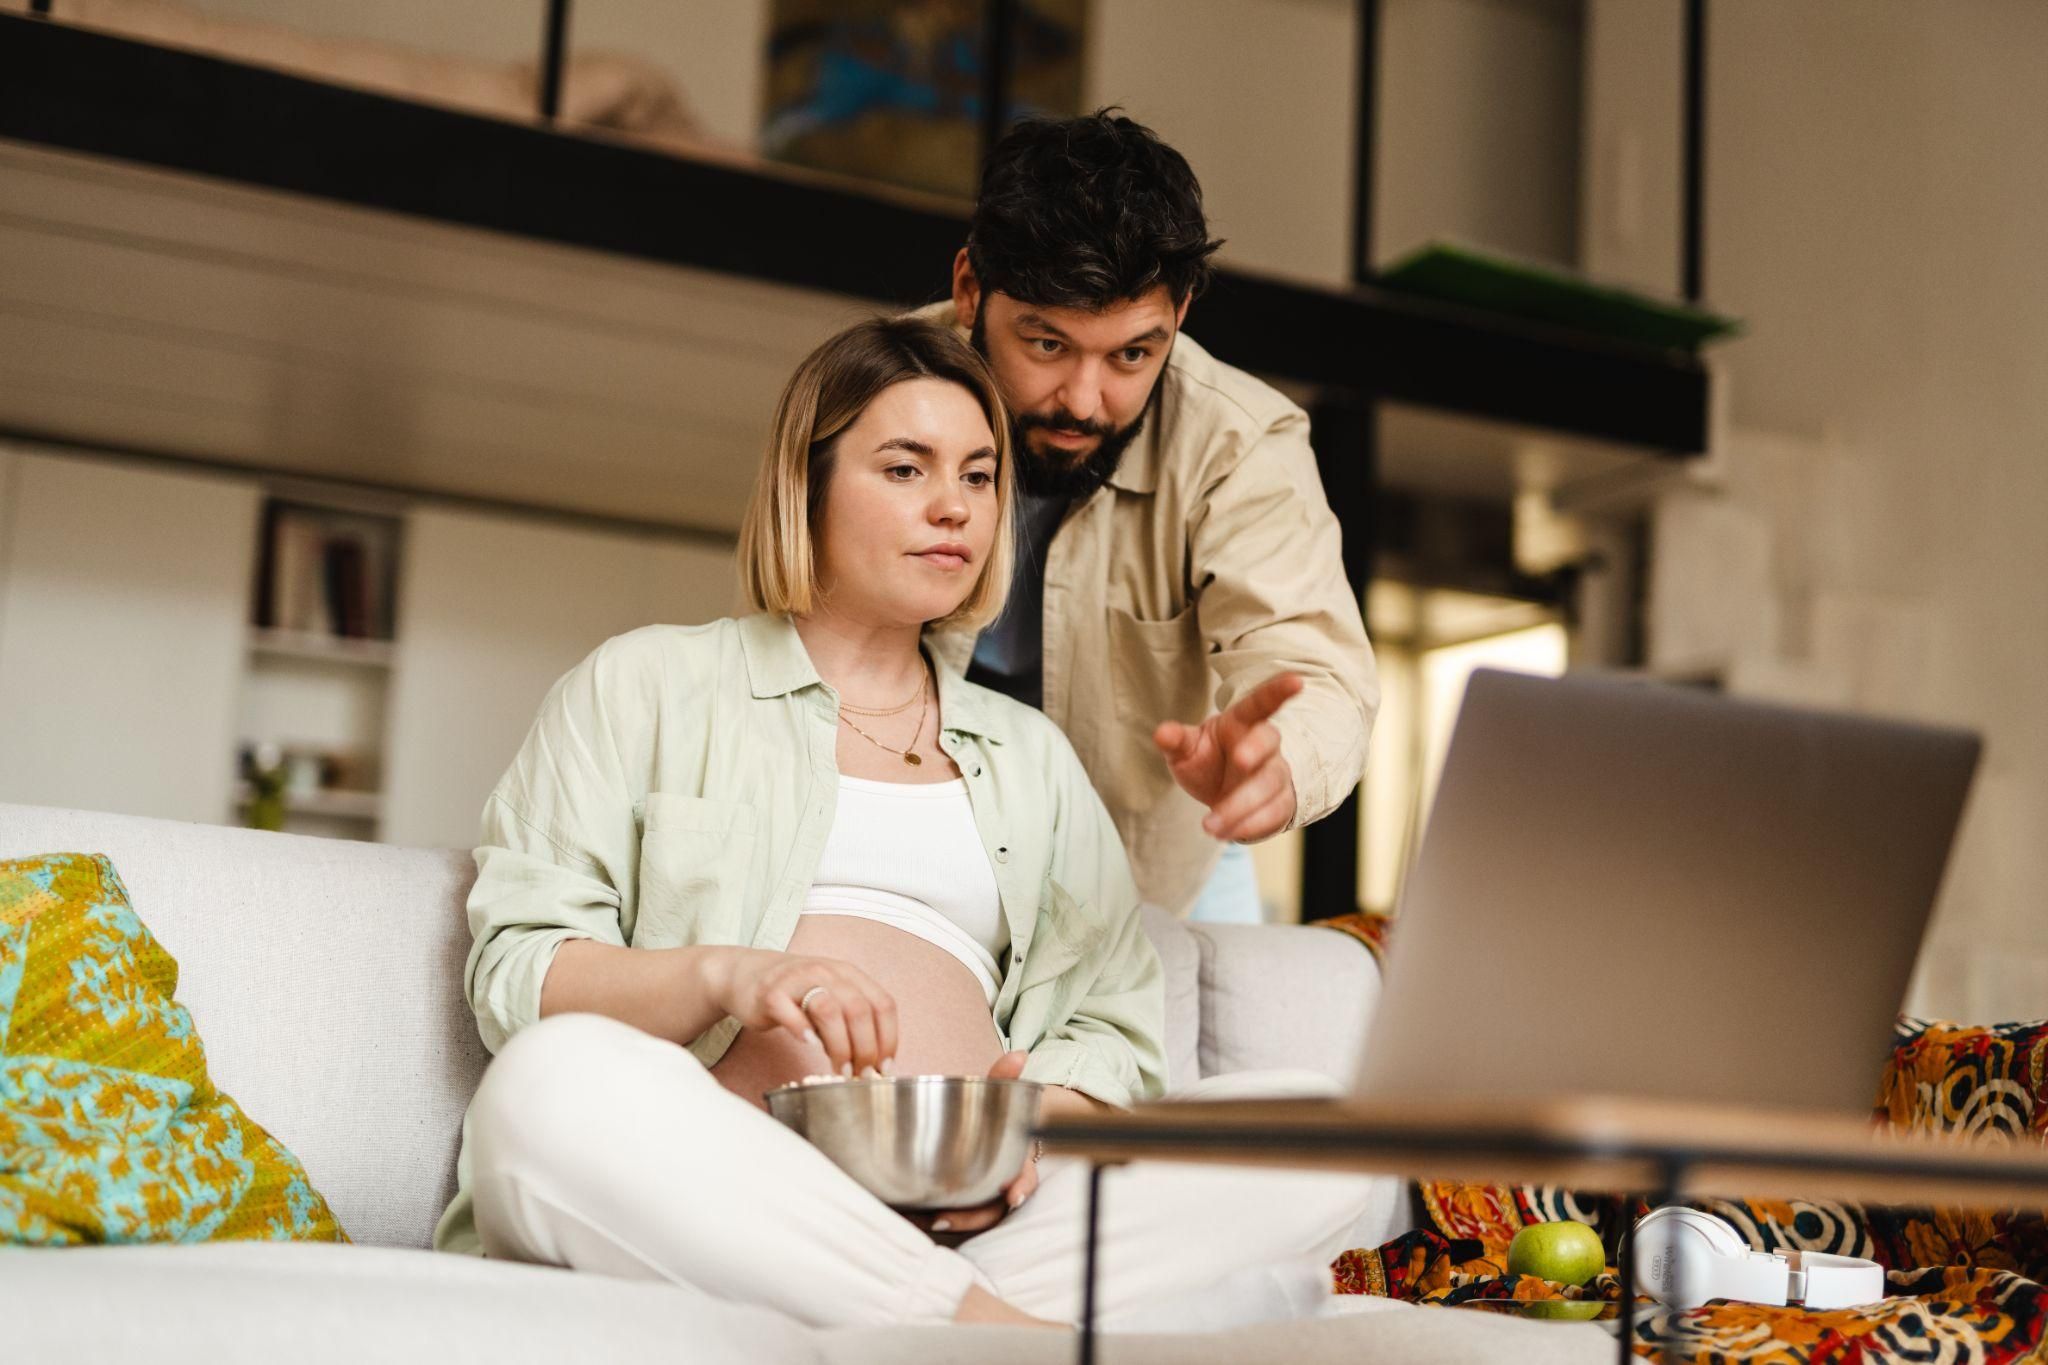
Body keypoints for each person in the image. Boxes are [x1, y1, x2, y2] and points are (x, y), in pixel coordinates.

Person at [431, 317, 1389, 1331]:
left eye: (980, 477)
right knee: (547, 1091)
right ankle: (997, 1336)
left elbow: (1110, 1017)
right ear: (806, 484)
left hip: (986, 1225)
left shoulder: (1031, 758)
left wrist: (1034, 1124)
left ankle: (910, 1318)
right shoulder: (646, 684)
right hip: (719, 1189)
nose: (953, 509)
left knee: (1318, 1129)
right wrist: (729, 977)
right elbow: (520, 977)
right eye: (904, 468)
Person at [919, 111, 1379, 924]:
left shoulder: (1241, 446)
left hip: (1163, 862)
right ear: (969, 288)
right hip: (929, 835)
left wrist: (1280, 763)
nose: (1085, 401)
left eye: (1133, 353)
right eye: (1047, 344)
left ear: (1182, 314)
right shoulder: (874, 394)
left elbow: (1317, 668)